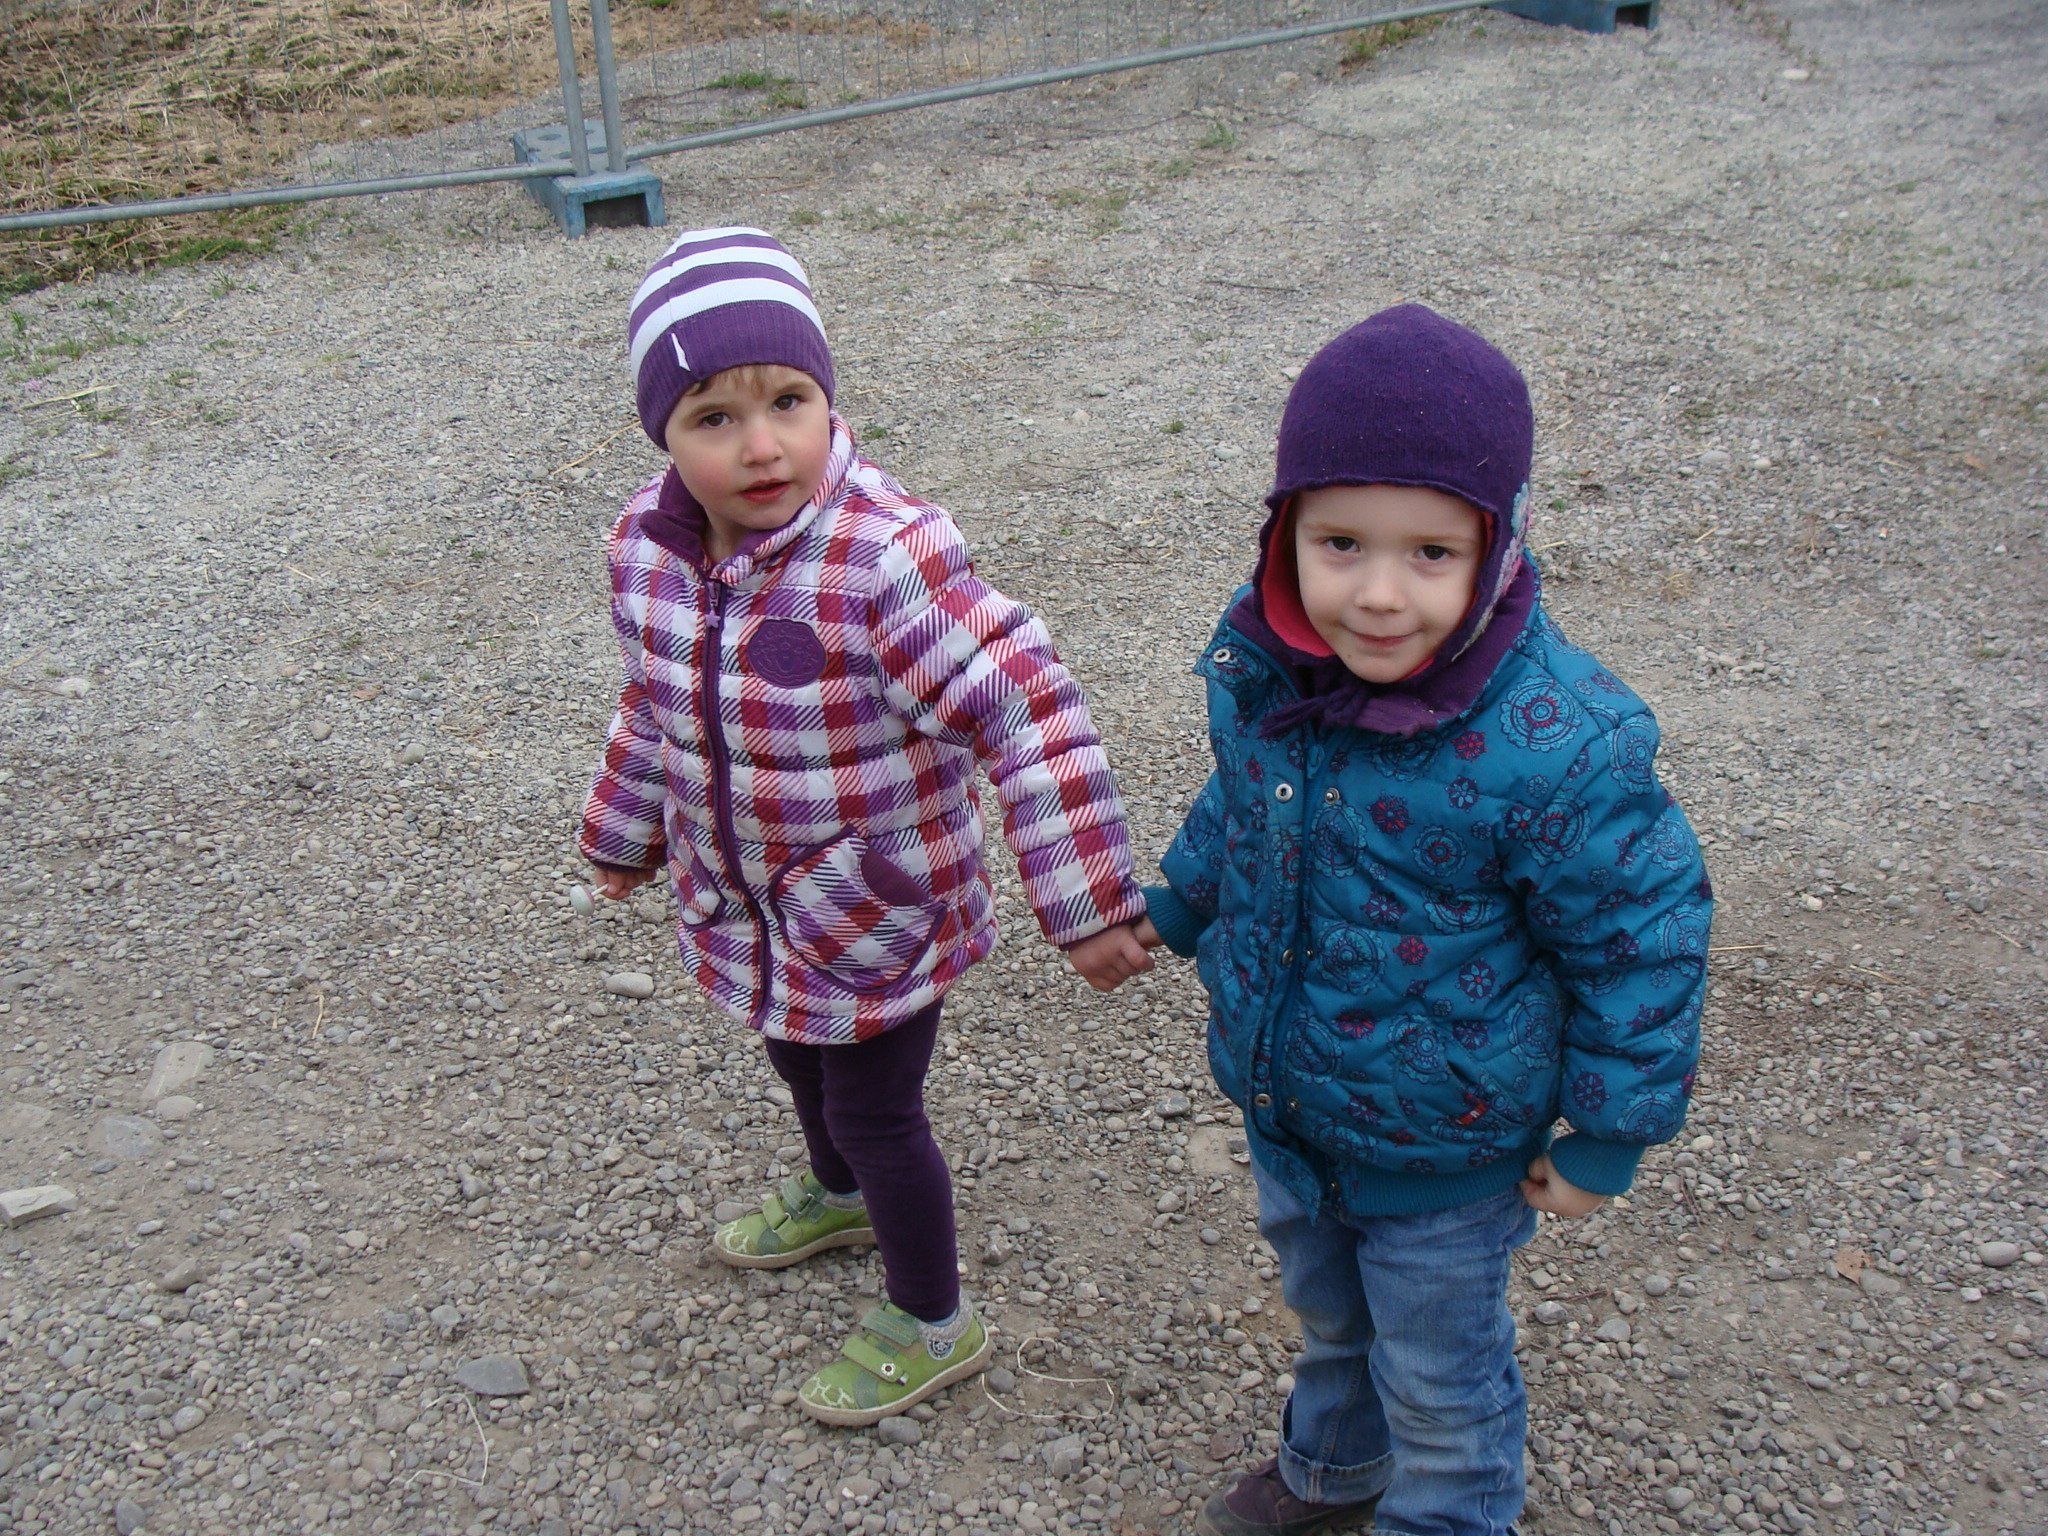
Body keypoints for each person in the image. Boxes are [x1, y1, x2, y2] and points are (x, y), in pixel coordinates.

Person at [1130, 305, 1712, 1535]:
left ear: (1498, 547)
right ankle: (1336, 1465)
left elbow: (1640, 940)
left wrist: (1609, 1132)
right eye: (1339, 543)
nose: (1379, 595)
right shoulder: (1273, 668)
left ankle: (1446, 1512)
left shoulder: (1556, 744)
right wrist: (1183, 896)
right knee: (1330, 1316)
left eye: (1430, 553)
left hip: (1450, 1147)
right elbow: (1246, 796)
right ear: (1283, 531)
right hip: (1295, 1108)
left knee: (1441, 1379)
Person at [578, 226, 1153, 1425]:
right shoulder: (647, 552)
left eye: (788, 402)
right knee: (794, 1055)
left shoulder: (881, 560)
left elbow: (1025, 709)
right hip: (750, 901)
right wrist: (624, 832)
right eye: (713, 417)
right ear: (660, 435)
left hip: (873, 908)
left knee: (876, 1109)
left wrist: (1087, 901)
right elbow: (653, 703)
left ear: (827, 398)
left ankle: (932, 1319)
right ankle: (837, 1196)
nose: (761, 445)